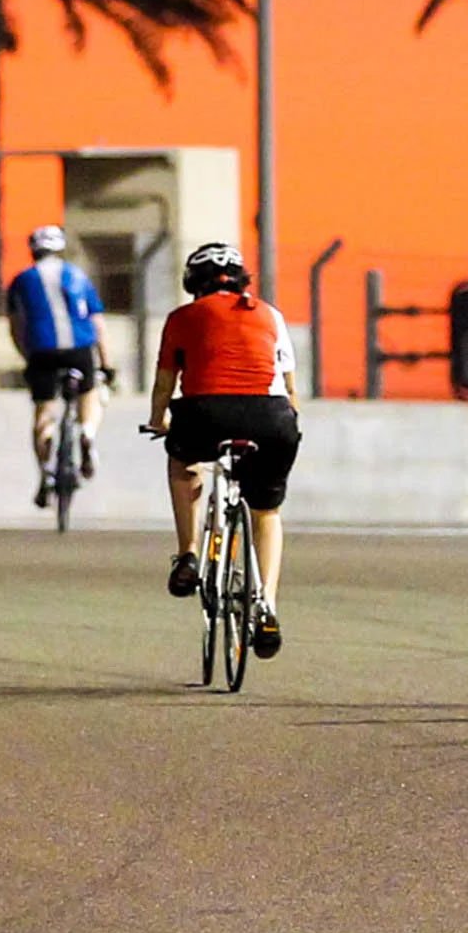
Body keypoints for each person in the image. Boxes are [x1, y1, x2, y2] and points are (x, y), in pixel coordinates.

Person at [149, 241, 302, 645]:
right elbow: (289, 386)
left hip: (204, 414)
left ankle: (189, 553)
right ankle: (266, 605)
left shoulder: (182, 317)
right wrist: (288, 423)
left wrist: (156, 420)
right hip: (271, 418)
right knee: (266, 511)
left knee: (182, 462)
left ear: (191, 283)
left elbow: (165, 382)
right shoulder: (271, 315)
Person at [5, 225, 108, 508]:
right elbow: (97, 323)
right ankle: (87, 433)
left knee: (44, 411)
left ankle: (46, 472)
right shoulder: (77, 276)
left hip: (41, 351)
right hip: (79, 349)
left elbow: (15, 326)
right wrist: (106, 363)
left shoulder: (21, 281)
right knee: (90, 395)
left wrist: (27, 355)